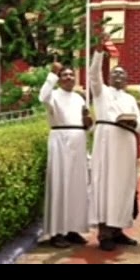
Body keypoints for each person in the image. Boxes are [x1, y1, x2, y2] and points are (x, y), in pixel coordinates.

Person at [86, 44, 140, 251]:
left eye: (122, 75)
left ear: (127, 80)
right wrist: (100, 53)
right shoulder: (102, 93)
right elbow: (93, 74)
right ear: (109, 78)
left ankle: (118, 229)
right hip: (107, 143)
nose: (118, 77)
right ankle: (104, 233)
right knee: (106, 186)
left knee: (123, 186)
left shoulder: (130, 98)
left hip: (126, 144)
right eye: (115, 74)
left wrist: (134, 124)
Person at [39, 61, 92, 248]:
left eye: (71, 75)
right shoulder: (53, 95)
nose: (69, 78)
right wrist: (51, 75)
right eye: (65, 75)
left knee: (77, 186)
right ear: (60, 79)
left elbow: (86, 123)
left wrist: (88, 122)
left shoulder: (79, 98)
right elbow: (42, 97)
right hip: (60, 141)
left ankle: (73, 229)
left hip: (78, 142)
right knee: (60, 184)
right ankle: (57, 232)